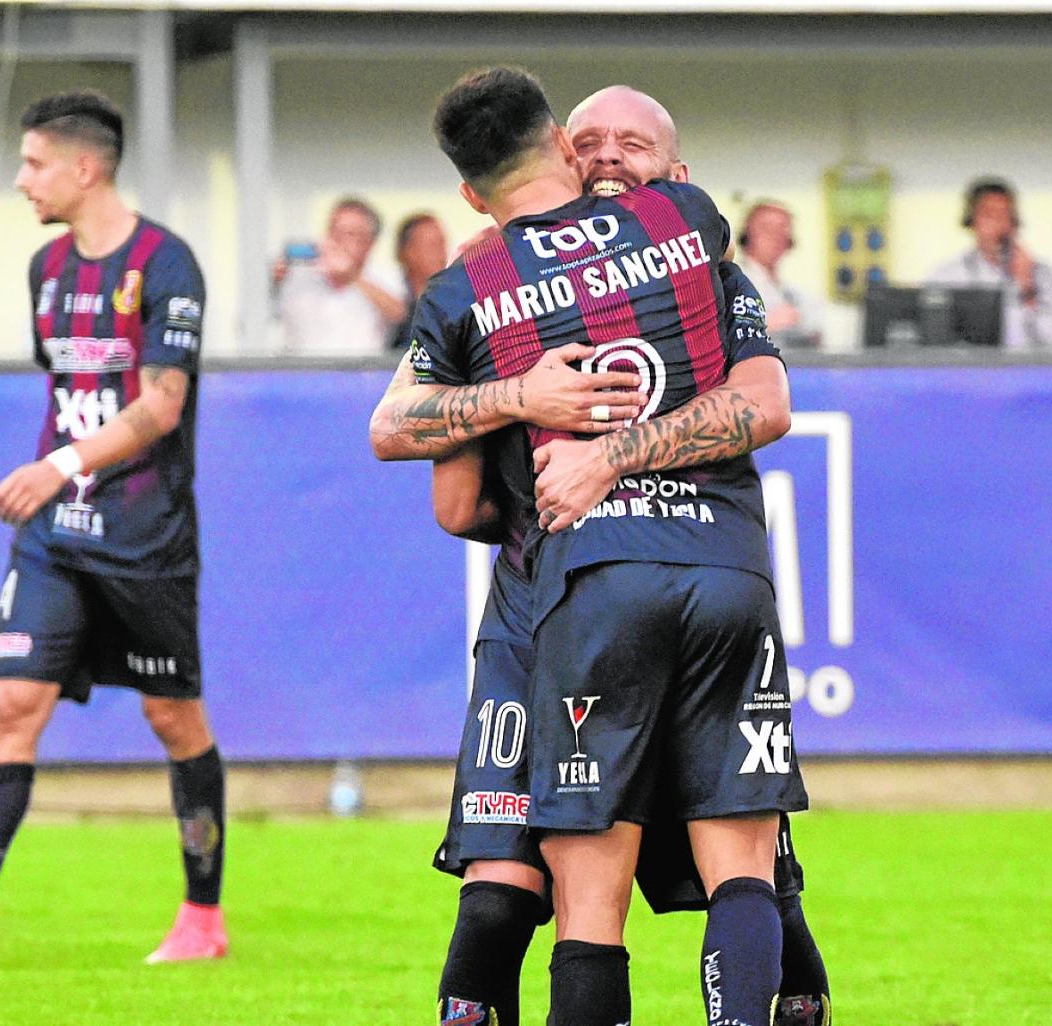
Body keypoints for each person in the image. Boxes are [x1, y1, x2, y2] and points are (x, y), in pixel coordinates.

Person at [376, 74, 817, 1026]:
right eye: (595, 141)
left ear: (466, 192)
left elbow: (445, 492)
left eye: (634, 146)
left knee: (570, 898)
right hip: (723, 572)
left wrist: (547, 423)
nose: (611, 159)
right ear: (565, 150)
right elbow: (763, 403)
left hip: (580, 587)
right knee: (751, 868)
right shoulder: (692, 229)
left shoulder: (468, 291)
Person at [0, 91, 227, 967]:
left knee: (174, 719)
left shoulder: (167, 263)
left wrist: (61, 463)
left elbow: (161, 405)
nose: (21, 179)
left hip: (146, 537)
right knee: (11, 701)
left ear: (85, 166)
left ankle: (203, 919)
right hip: (55, 534)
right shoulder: (48, 269)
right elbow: (67, 387)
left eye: (33, 163)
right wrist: (59, 479)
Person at [926, 176, 1052, 349]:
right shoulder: (947, 275)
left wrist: (1027, 288)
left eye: (1006, 215)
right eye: (989, 215)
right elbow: (932, 344)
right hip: (969, 373)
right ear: (972, 222)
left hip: (1027, 373)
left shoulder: (1042, 275)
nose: (999, 224)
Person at [277, 195, 405, 356]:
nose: (338, 241)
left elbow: (399, 314)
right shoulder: (300, 276)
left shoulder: (384, 277)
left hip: (360, 376)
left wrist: (352, 275)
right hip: (304, 375)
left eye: (349, 234)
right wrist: (275, 277)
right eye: (334, 231)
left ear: (369, 242)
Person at [737, 200, 822, 348]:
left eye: (782, 230)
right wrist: (768, 324)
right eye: (767, 229)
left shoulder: (794, 292)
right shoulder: (731, 282)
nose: (775, 237)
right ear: (747, 235)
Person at [390, 212, 449, 349]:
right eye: (432, 246)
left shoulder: (454, 296)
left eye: (442, 244)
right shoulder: (391, 289)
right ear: (407, 252)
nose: (441, 253)